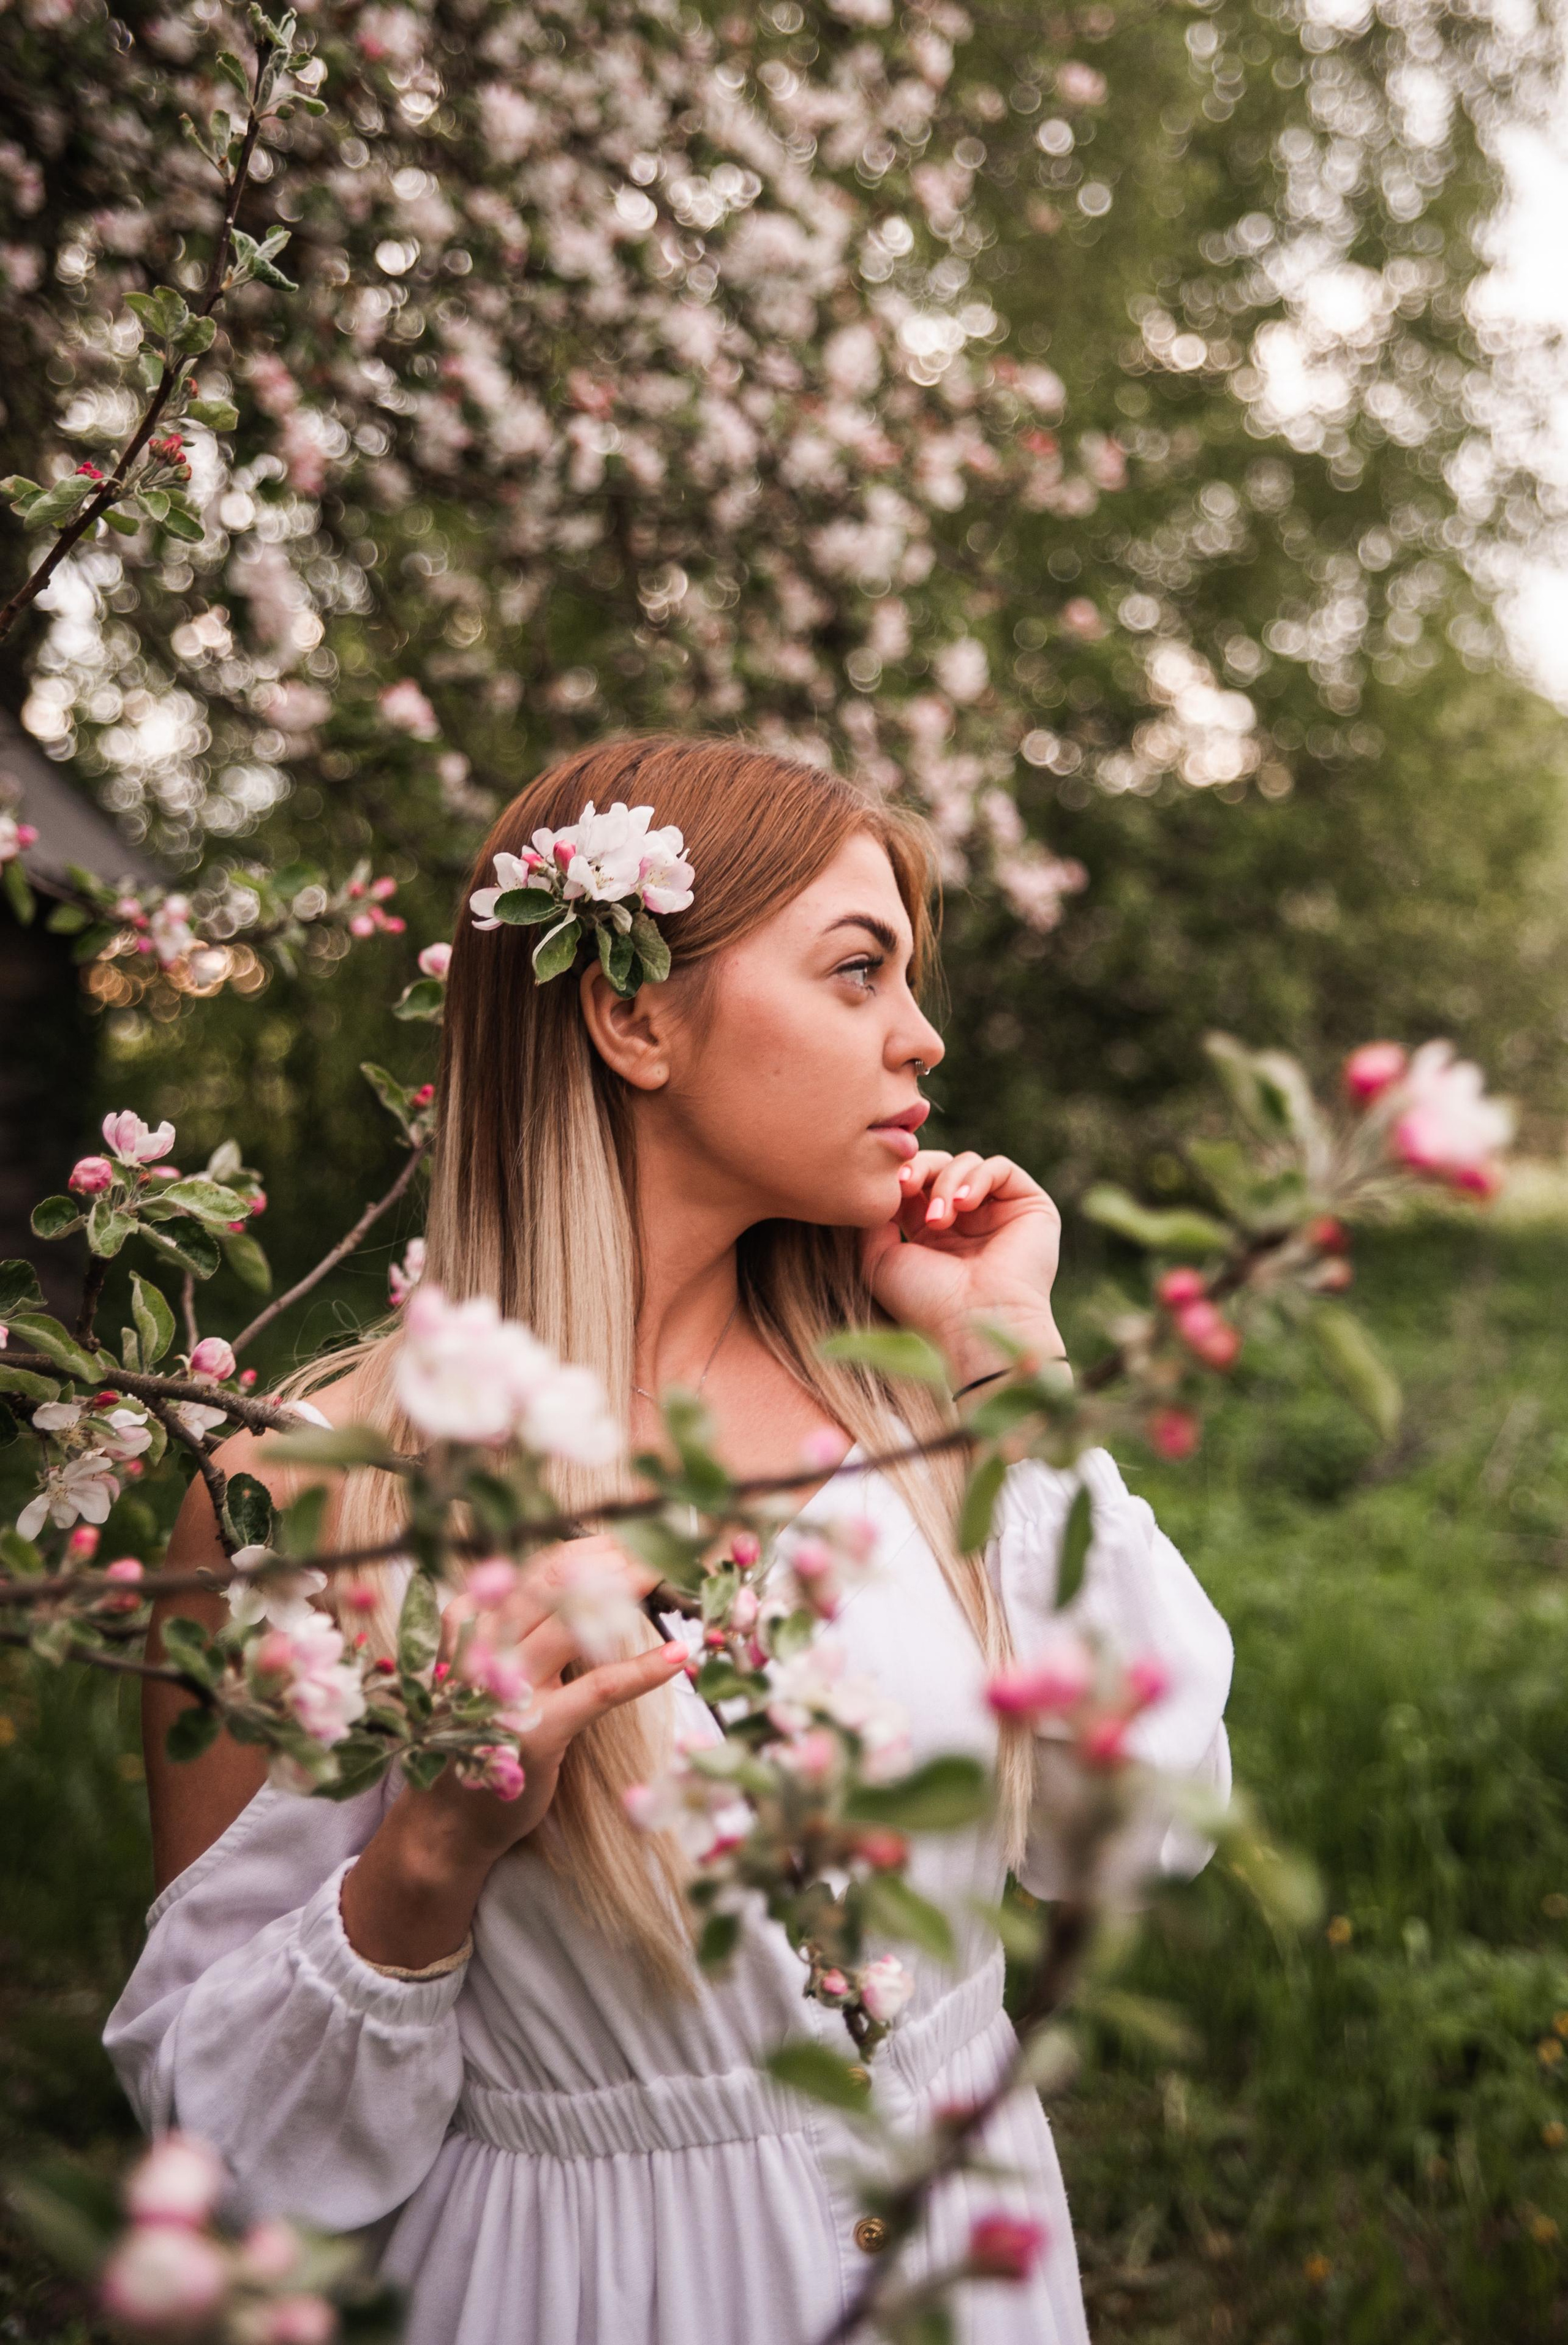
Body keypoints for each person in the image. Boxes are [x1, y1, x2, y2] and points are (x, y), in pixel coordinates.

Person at [105, 735, 1233, 2345]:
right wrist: (423, 1868)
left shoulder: (916, 1427)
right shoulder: (318, 1495)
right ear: (633, 1013)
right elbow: (219, 2151)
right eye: (858, 972)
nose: (922, 1038)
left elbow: (1149, 1836)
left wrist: (1007, 1366)